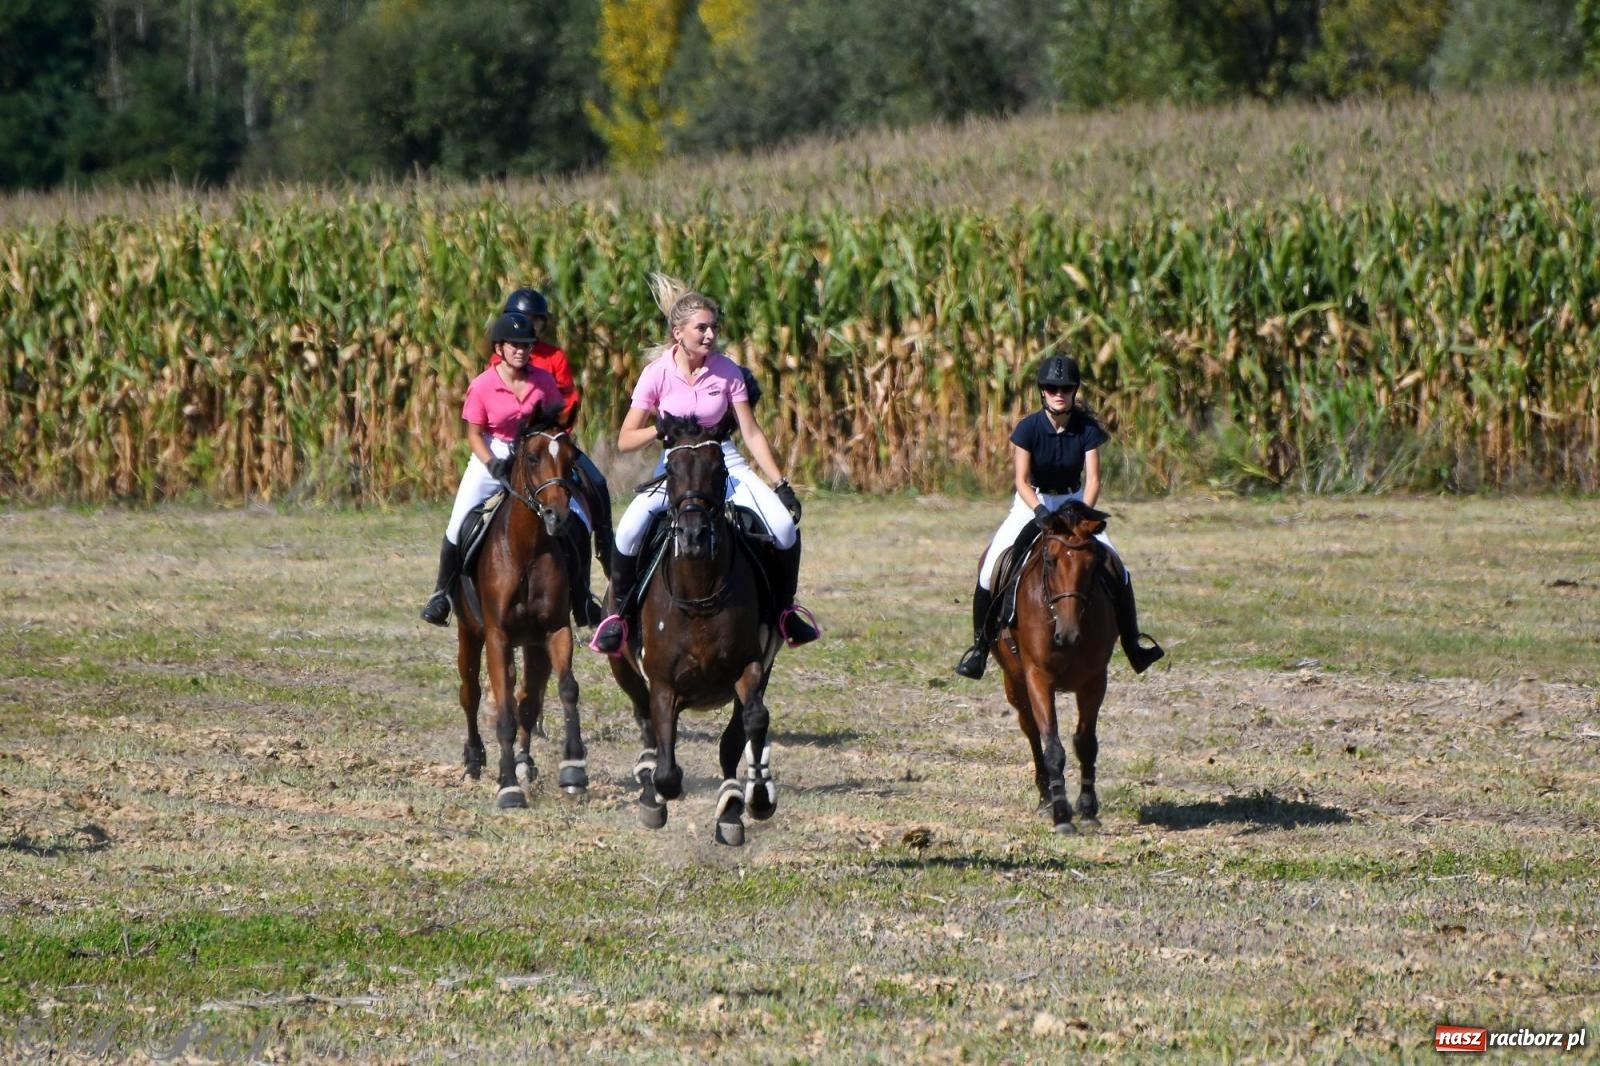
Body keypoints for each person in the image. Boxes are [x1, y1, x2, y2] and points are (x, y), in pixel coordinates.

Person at [589, 272, 818, 655]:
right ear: (679, 332)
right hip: (675, 465)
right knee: (627, 533)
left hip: (722, 460)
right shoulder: (656, 374)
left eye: (713, 328)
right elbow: (626, 439)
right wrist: (658, 429)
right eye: (702, 329)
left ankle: (783, 612)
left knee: (783, 528)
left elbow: (751, 431)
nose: (710, 336)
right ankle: (621, 619)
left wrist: (781, 484)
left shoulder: (727, 371)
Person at [954, 353, 1164, 679]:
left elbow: (1093, 479)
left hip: (1073, 502)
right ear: (1043, 391)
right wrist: (1038, 511)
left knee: (1118, 568)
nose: (1059, 393)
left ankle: (1134, 647)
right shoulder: (1028, 429)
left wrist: (1082, 513)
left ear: (1074, 391)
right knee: (990, 567)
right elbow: (1021, 480)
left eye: (1065, 388)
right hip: (1031, 502)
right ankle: (980, 648)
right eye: (1052, 387)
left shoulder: (1087, 430)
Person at [419, 311, 568, 626]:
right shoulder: (482, 385)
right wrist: (492, 463)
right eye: (514, 345)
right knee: (459, 523)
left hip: (536, 453)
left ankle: (581, 594)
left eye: (526, 345)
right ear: (499, 348)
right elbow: (473, 434)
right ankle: (441, 595)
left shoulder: (543, 381)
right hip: (494, 451)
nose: (521, 351)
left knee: (571, 514)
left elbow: (554, 421)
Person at [500, 288, 616, 574]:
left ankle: (605, 543)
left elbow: (569, 398)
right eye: (523, 318)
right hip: (511, 441)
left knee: (597, 483)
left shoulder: (554, 357)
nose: (530, 325)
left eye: (536, 320)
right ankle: (452, 580)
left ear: (542, 323)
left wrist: (559, 429)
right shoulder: (504, 354)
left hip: (552, 438)